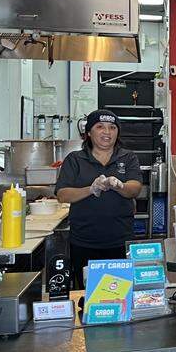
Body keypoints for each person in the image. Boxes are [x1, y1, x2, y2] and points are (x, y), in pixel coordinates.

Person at [55, 109, 143, 287]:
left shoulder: (128, 157)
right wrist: (91, 188)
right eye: (100, 127)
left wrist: (120, 186)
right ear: (88, 132)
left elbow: (135, 189)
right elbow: (62, 194)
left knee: (119, 294)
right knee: (87, 295)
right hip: (84, 242)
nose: (107, 132)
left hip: (120, 240)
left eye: (112, 127)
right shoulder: (75, 159)